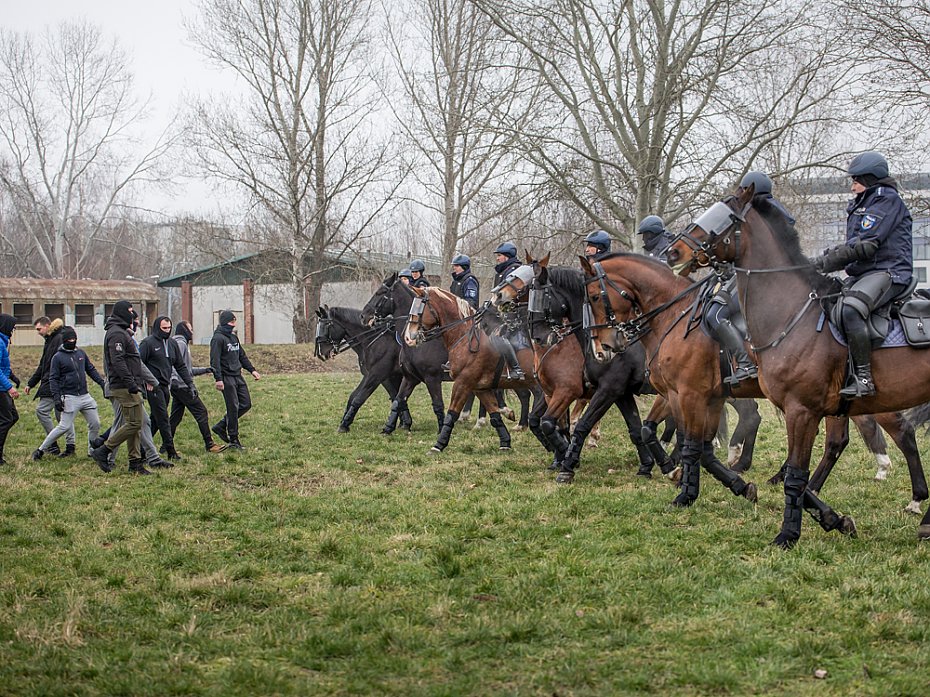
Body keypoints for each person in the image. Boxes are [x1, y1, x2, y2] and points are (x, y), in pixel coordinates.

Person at [812, 151, 913, 398]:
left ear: (869, 178)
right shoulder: (864, 203)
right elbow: (853, 244)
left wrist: (826, 261)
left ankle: (864, 378)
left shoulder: (886, 200)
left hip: (890, 272)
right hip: (866, 274)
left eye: (856, 180)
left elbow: (866, 245)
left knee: (850, 310)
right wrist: (820, 259)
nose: (852, 185)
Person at [90, 300, 150, 474]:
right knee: (134, 423)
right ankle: (103, 450)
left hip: (129, 384)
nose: (133, 316)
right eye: (130, 311)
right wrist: (131, 383)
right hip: (124, 385)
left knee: (135, 424)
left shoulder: (121, 331)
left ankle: (135, 463)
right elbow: (118, 361)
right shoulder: (117, 333)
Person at [32, 326, 105, 460]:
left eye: (74, 339)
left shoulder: (81, 354)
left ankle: (92, 451)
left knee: (95, 423)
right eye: (70, 339)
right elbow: (53, 379)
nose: (72, 341)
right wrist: (57, 398)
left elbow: (91, 370)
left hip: (85, 395)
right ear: (64, 340)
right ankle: (40, 450)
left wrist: (102, 383)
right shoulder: (57, 357)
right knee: (64, 426)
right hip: (69, 397)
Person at [139, 315, 194, 460]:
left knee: (156, 420)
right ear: (157, 327)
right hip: (152, 387)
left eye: (169, 328)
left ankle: (142, 448)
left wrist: (190, 384)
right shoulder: (147, 343)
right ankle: (170, 450)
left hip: (165, 386)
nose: (167, 331)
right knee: (163, 418)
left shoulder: (172, 343)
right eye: (164, 328)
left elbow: (180, 365)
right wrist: (146, 382)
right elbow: (139, 364)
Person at [169, 321, 226, 453]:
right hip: (182, 386)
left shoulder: (181, 343)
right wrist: (174, 380)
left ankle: (166, 445)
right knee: (201, 412)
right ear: (184, 330)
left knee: (175, 417)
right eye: (190, 329)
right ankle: (209, 444)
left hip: (180, 385)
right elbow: (173, 366)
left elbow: (186, 369)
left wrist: (205, 370)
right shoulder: (180, 344)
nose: (192, 332)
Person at [210, 311, 261, 450]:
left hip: (238, 376)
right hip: (226, 378)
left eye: (234, 322)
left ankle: (221, 426)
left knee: (246, 404)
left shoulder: (234, 338)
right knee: (232, 408)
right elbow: (215, 361)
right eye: (231, 322)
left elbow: (242, 356)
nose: (233, 325)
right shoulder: (217, 339)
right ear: (225, 322)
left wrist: (252, 370)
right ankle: (234, 439)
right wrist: (218, 379)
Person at [24, 316, 75, 456]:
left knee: (44, 411)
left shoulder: (57, 339)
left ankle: (53, 443)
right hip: (55, 383)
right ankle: (69, 446)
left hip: (57, 383)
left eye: (39, 329)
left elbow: (57, 365)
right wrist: (31, 383)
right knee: (63, 417)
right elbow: (43, 364)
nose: (38, 332)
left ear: (48, 325)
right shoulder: (51, 339)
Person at [488, 241, 525, 380]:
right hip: (500, 312)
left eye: (500, 255)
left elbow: (512, 297)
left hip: (513, 314)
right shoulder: (501, 271)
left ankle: (516, 369)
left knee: (498, 336)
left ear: (507, 256)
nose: (497, 258)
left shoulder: (514, 271)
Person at [0, 314, 19, 465]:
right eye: (12, 327)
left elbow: (4, 366)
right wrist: (10, 387)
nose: (14, 330)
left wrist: (13, 377)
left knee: (13, 417)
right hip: (1, 389)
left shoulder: (3, 342)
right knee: (7, 419)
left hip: (3, 385)